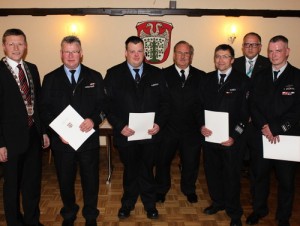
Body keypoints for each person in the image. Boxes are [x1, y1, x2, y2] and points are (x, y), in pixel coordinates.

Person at [40, 36, 105, 226]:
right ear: (61, 54)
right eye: (66, 51)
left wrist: (94, 120)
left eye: (74, 51)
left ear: (81, 53)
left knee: (91, 181)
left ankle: (91, 214)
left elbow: (104, 106)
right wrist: (57, 131)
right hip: (63, 142)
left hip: (88, 141)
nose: (70, 56)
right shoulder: (50, 78)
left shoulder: (94, 76)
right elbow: (44, 109)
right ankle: (69, 213)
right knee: (65, 181)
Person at [104, 36, 169, 219]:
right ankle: (127, 204)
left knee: (147, 170)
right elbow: (107, 106)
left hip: (150, 135)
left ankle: (150, 205)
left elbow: (165, 103)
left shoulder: (157, 74)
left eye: (139, 51)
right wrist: (119, 126)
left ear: (144, 53)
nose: (136, 55)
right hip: (126, 134)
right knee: (131, 170)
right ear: (125, 53)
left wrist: (159, 124)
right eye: (132, 51)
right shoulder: (113, 74)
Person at [247, 35, 300, 226]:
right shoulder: (260, 75)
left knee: (286, 181)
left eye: (278, 50)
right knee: (259, 177)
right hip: (262, 136)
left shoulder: (297, 76)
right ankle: (259, 209)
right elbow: (252, 104)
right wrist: (264, 127)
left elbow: (297, 110)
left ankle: (283, 216)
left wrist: (277, 128)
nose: (273, 54)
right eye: (270, 51)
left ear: (287, 52)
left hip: (287, 137)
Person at [0, 28, 50, 226]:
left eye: (20, 43)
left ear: (26, 46)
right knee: (12, 186)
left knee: (32, 184)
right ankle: (14, 221)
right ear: (4, 46)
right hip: (9, 141)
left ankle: (32, 220)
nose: (16, 48)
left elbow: (38, 105)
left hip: (33, 136)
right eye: (11, 44)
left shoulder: (32, 68)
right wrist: (0, 143)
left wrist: (43, 131)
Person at [200, 44, 249, 226]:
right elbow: (199, 107)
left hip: (231, 141)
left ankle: (234, 211)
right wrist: (201, 125)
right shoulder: (206, 79)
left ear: (232, 60)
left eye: (225, 56)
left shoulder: (242, 81)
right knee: (212, 174)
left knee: (231, 177)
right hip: (210, 138)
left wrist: (234, 136)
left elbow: (245, 114)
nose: (221, 60)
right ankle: (217, 202)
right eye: (218, 56)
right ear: (214, 59)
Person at [155, 40, 205, 203]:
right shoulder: (162, 75)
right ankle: (161, 189)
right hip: (168, 128)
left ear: (191, 56)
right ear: (173, 55)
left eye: (186, 53)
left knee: (191, 163)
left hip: (192, 130)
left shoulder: (201, 76)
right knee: (162, 162)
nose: (183, 56)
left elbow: (203, 104)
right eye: (179, 53)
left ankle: (189, 189)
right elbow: (158, 102)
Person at [233, 32, 271, 177]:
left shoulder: (269, 64)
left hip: (259, 122)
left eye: (254, 44)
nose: (250, 48)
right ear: (242, 47)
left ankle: (257, 197)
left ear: (260, 47)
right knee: (235, 159)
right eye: (247, 44)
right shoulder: (234, 63)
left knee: (259, 164)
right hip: (238, 120)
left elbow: (268, 96)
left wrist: (254, 115)